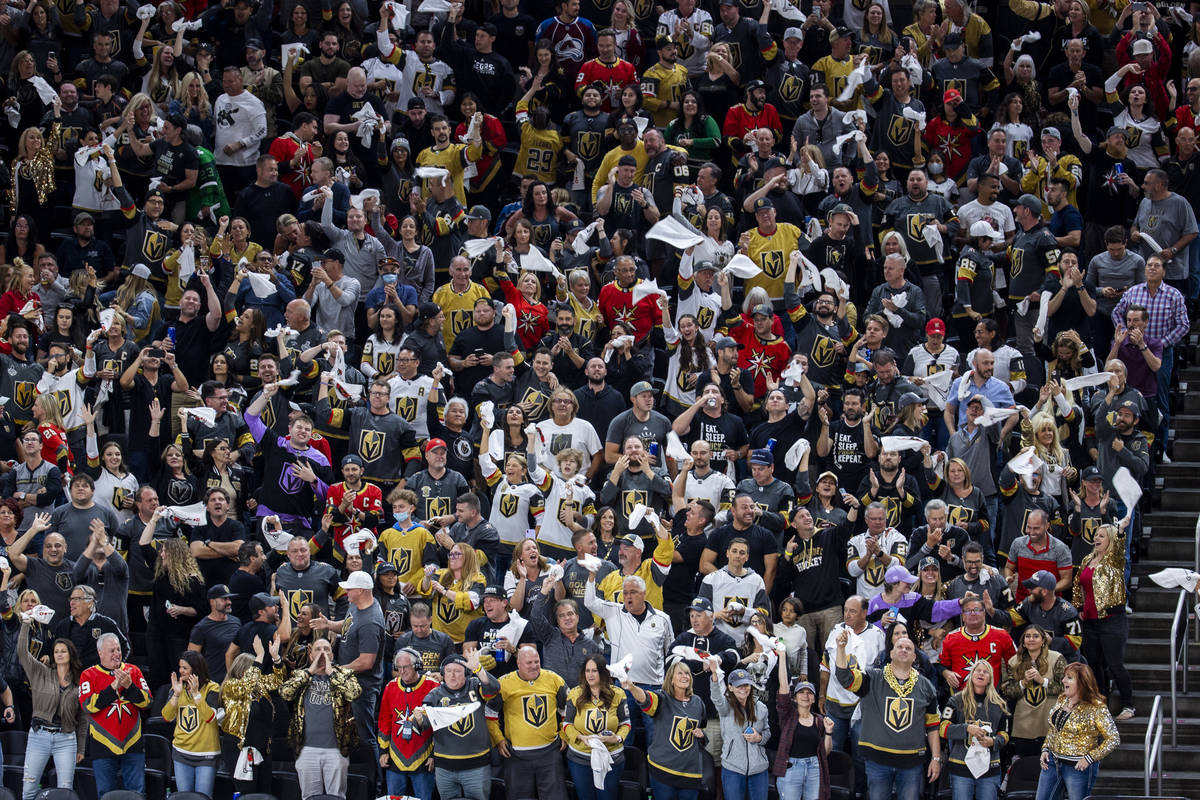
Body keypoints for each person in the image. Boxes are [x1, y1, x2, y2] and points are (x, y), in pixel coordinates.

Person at [833, 628, 941, 800]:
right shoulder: (872, 678)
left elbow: (933, 726)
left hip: (912, 763)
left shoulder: (926, 686)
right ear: (890, 653)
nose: (904, 650)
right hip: (878, 762)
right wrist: (840, 648)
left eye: (909, 648)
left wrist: (936, 758)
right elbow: (845, 677)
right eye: (899, 647)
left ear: (915, 657)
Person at [279, 637, 363, 799]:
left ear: (332, 655)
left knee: (336, 796)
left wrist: (331, 673)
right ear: (311, 655)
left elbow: (353, 693)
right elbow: (285, 693)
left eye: (327, 649)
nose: (323, 653)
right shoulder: (301, 675)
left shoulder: (345, 674)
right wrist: (310, 671)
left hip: (337, 749)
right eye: (318, 649)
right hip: (306, 749)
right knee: (309, 796)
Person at [17, 618, 84, 800]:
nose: (60, 654)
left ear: (71, 654)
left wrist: (82, 747)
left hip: (66, 737)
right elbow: (22, 653)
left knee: (65, 790)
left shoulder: (79, 681)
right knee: (29, 788)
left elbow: (83, 717)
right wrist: (25, 624)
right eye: (56, 651)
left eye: (63, 651)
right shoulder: (41, 672)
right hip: (40, 735)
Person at [621, 659, 707, 800]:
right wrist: (631, 687)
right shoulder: (662, 698)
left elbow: (702, 729)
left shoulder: (698, 702)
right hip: (663, 771)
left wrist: (701, 734)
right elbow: (645, 698)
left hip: (691, 773)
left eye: (687, 673)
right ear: (671, 679)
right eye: (680, 673)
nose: (684, 676)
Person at [79, 633, 152, 796]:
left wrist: (129, 686)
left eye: (118, 649)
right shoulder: (88, 675)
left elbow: (147, 702)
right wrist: (113, 687)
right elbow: (88, 705)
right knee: (106, 793)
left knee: (137, 792)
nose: (117, 654)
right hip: (102, 743)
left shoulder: (133, 671)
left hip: (133, 742)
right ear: (100, 653)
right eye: (111, 650)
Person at [1073, 523, 1133, 720]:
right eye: (1096, 535)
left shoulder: (1114, 560)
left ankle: (1128, 705)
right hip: (1090, 622)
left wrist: (1122, 531)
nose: (1096, 539)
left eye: (1102, 536)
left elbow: (1120, 548)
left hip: (1112, 620)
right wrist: (1079, 607)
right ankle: (1100, 702)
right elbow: (1077, 585)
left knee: (1114, 663)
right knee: (1093, 664)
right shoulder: (1087, 559)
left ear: (1111, 541)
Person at [1034, 663, 1119, 800]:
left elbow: (1113, 738)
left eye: (1069, 678)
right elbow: (1053, 729)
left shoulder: (1096, 707)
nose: (1063, 681)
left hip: (1078, 767)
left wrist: (1090, 758)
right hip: (1052, 762)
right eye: (1064, 677)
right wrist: (1045, 748)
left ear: (1082, 682)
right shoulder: (1062, 699)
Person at [939, 660, 1010, 800]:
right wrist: (966, 729)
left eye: (985, 672)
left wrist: (994, 741)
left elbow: (1005, 734)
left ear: (991, 678)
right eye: (978, 670)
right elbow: (942, 729)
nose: (981, 673)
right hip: (961, 768)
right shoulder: (955, 700)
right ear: (971, 675)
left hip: (990, 769)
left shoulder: (1000, 705)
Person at [563, 655, 630, 800]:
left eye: (594, 671)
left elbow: (626, 724)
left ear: (603, 673)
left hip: (611, 758)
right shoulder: (575, 693)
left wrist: (617, 738)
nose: (590, 675)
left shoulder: (618, 694)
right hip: (580, 759)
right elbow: (567, 724)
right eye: (587, 671)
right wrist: (581, 737)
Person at [377, 647, 439, 800]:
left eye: (406, 667)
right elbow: (384, 720)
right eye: (399, 668)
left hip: (424, 756)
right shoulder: (391, 686)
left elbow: (440, 725)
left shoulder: (433, 687)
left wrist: (434, 754)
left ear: (417, 666)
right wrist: (383, 751)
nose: (402, 671)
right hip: (395, 755)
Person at [160, 650, 223, 797]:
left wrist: (196, 695)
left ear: (196, 670)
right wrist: (176, 694)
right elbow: (166, 717)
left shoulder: (212, 688)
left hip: (206, 754)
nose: (181, 671)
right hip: (181, 752)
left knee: (203, 796)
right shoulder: (177, 688)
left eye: (185, 668)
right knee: (184, 796)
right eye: (180, 667)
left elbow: (210, 717)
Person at [1001, 626, 1065, 757]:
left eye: (1036, 636)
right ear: (1023, 641)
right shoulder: (1014, 661)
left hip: (1050, 723)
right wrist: (1023, 683)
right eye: (1027, 636)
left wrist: (1043, 681)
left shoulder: (1056, 658)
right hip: (1023, 725)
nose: (1031, 639)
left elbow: (1066, 688)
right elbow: (1007, 691)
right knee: (1027, 766)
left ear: (1043, 641)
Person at [711, 667, 770, 800]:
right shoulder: (725, 707)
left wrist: (759, 738)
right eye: (738, 685)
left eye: (746, 684)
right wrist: (714, 674)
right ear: (730, 687)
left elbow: (767, 732)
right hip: (733, 769)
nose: (743, 688)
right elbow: (716, 698)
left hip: (759, 770)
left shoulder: (761, 707)